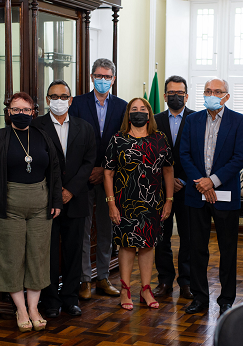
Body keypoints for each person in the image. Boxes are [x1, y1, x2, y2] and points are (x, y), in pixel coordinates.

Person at [0, 92, 62, 332]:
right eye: (16, 109)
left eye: (26, 110)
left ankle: (34, 308)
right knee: (12, 257)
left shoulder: (42, 137)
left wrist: (56, 200)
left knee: (38, 257)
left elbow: (55, 171)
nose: (21, 114)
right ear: (8, 112)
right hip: (8, 207)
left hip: (41, 206)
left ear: (33, 113)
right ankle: (21, 309)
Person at [180, 78, 243, 315]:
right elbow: (185, 154)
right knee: (196, 248)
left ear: (226, 96)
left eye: (217, 91)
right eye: (208, 90)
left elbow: (239, 158)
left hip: (226, 194)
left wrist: (213, 181)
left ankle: (226, 299)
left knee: (228, 249)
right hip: (196, 194)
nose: (212, 94)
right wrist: (202, 184)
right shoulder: (192, 120)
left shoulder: (240, 122)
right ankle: (199, 297)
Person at [32, 80, 96, 318]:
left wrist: (71, 190)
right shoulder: (36, 126)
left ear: (71, 100)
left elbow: (89, 162)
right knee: (47, 254)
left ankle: (70, 298)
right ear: (47, 100)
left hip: (75, 199)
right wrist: (55, 192)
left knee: (73, 251)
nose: (58, 100)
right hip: (46, 201)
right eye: (53, 96)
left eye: (63, 96)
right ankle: (50, 301)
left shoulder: (84, 127)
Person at [103, 97, 174, 310]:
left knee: (147, 245)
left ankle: (146, 289)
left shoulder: (159, 138)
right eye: (134, 109)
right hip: (124, 202)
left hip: (153, 202)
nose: (138, 112)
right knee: (126, 245)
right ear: (128, 114)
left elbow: (168, 170)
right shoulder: (118, 139)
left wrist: (169, 201)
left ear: (150, 113)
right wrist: (111, 204)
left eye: (143, 109)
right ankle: (125, 290)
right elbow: (108, 173)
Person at [69, 58, 127, 299]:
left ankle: (102, 277)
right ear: (91, 77)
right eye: (98, 76)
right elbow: (71, 139)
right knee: (83, 230)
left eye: (107, 77)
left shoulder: (123, 106)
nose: (103, 80)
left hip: (110, 177)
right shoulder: (77, 103)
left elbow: (123, 141)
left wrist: (103, 168)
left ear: (113, 79)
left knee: (106, 229)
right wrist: (89, 168)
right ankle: (84, 279)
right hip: (82, 176)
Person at [153, 75, 195, 299]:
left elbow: (200, 156)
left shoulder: (198, 119)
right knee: (162, 237)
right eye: (171, 93)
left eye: (180, 93)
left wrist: (183, 180)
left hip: (189, 189)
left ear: (186, 96)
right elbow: (149, 155)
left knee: (188, 238)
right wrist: (166, 181)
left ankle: (186, 282)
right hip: (160, 190)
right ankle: (165, 281)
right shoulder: (154, 120)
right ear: (165, 95)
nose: (175, 97)